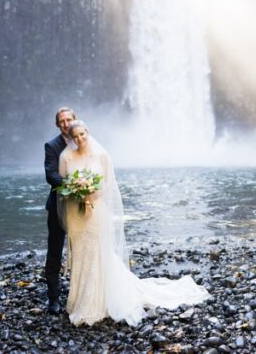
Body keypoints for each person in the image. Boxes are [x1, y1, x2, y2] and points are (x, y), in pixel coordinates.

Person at [59, 120, 209, 325]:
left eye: (82, 134)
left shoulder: (101, 155)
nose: (79, 139)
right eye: (75, 137)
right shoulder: (67, 156)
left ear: (87, 132)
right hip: (76, 213)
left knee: (97, 253)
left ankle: (98, 301)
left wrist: (91, 194)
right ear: (72, 138)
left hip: (96, 212)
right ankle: (81, 300)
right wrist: (77, 193)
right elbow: (62, 186)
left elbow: (108, 187)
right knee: (83, 254)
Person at [43, 107, 76, 313]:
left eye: (69, 119)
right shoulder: (52, 146)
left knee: (82, 250)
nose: (65, 124)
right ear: (58, 124)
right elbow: (50, 175)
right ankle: (53, 298)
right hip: (58, 205)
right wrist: (72, 186)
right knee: (54, 251)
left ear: (75, 120)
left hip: (82, 207)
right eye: (61, 121)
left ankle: (82, 293)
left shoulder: (83, 141)